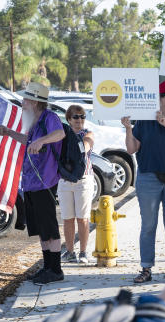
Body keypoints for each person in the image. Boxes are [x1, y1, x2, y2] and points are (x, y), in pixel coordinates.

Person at [0, 81, 66, 285]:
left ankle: (56, 269)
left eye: (26, 99)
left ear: (36, 102)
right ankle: (46, 267)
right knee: (40, 228)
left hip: (45, 181)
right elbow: (27, 141)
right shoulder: (33, 120)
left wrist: (42, 141)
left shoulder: (49, 117)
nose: (23, 102)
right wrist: (9, 133)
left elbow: (60, 133)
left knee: (50, 227)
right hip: (31, 181)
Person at [123, 80, 165, 283]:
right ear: (159, 98)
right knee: (148, 225)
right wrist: (128, 128)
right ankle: (146, 268)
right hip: (148, 178)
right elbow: (131, 148)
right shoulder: (143, 121)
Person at [57, 104, 94, 265]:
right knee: (68, 219)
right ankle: (70, 252)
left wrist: (80, 145)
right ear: (69, 119)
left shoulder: (88, 133)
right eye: (76, 117)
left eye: (82, 116)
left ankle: (84, 252)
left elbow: (87, 144)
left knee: (83, 218)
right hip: (65, 181)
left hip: (83, 181)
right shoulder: (62, 135)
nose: (80, 120)